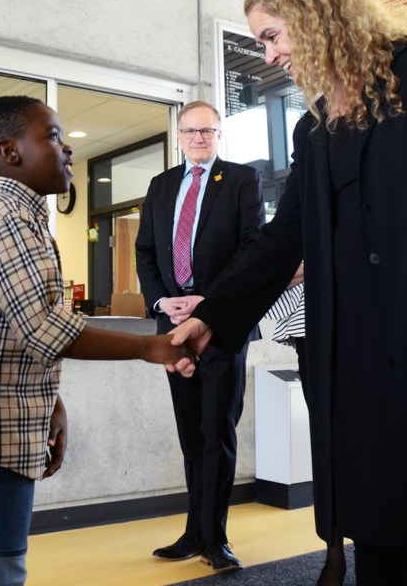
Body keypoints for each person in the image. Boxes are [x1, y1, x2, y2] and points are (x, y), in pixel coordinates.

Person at [168, 0, 407, 586]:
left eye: (273, 36)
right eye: (261, 42)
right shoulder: (312, 126)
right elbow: (284, 239)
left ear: (316, 15)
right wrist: (211, 318)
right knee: (375, 533)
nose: (271, 54)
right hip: (352, 359)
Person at [0, 96, 193, 586]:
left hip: (1, 412)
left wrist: (51, 400)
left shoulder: (21, 218)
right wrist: (150, 346)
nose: (66, 149)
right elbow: (43, 328)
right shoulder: (7, 218)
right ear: (10, 151)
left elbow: (14, 330)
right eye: (52, 136)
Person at [135, 100, 264, 573]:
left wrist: (207, 304)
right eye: (189, 132)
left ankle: (216, 539)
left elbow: (252, 249)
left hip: (221, 325)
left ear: (219, 134)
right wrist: (160, 302)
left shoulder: (242, 180)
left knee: (218, 433)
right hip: (172, 326)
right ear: (178, 136)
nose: (197, 139)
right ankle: (193, 533)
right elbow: (145, 250)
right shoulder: (161, 185)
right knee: (191, 433)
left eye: (206, 131)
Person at [265, 263, 347, 586]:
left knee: (382, 445)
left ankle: (395, 544)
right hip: (311, 327)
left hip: (374, 314)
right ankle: (335, 554)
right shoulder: (306, 213)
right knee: (328, 450)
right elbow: (279, 264)